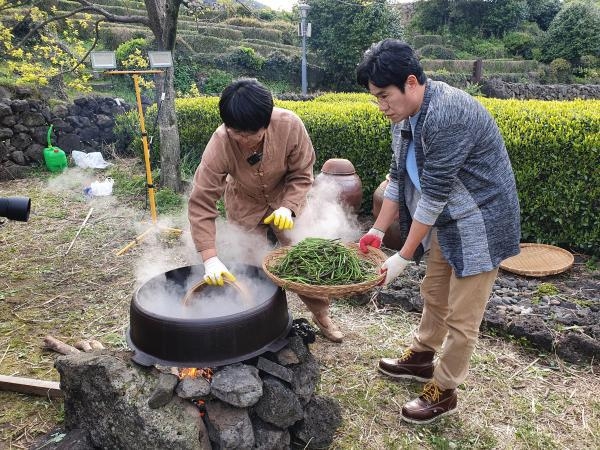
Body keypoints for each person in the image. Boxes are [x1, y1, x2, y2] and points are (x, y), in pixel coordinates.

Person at [356, 39, 521, 424]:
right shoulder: (404, 118)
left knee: (464, 316)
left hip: (480, 220)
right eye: (375, 98)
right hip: (448, 219)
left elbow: (432, 196)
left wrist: (403, 254)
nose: (381, 106)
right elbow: (397, 178)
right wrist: (378, 232)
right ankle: (422, 356)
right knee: (434, 291)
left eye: (384, 96)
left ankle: (445, 390)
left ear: (411, 82)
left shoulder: (447, 115)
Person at [188, 78, 344, 342]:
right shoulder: (219, 143)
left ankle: (322, 315)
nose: (245, 141)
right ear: (227, 126)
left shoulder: (290, 125)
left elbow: (303, 174)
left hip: (286, 195)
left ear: (267, 121)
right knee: (250, 265)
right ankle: (255, 318)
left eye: (253, 134)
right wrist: (210, 258)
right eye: (238, 134)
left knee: (302, 258)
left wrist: (289, 207)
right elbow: (201, 201)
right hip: (244, 202)